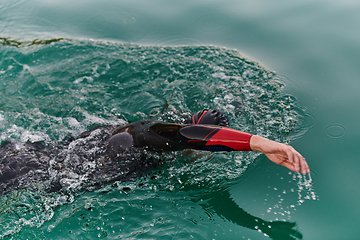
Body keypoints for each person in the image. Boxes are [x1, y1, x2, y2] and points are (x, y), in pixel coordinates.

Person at [107, 109, 310, 175]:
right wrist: (259, 144)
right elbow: (187, 135)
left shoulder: (155, 147)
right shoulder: (147, 135)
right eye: (204, 149)